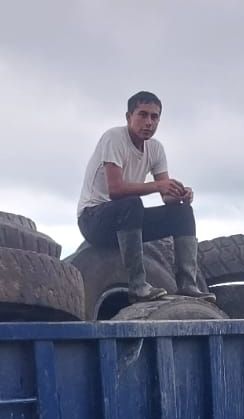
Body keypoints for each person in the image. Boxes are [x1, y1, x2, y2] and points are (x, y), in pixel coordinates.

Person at [75, 91, 211, 302]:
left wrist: (180, 195)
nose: (149, 122)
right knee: (131, 204)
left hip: (128, 222)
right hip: (93, 220)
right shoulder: (114, 138)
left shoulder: (155, 149)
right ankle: (138, 286)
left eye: (154, 117)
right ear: (129, 116)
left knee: (182, 212)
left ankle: (187, 285)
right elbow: (115, 190)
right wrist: (158, 186)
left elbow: (166, 197)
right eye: (143, 115)